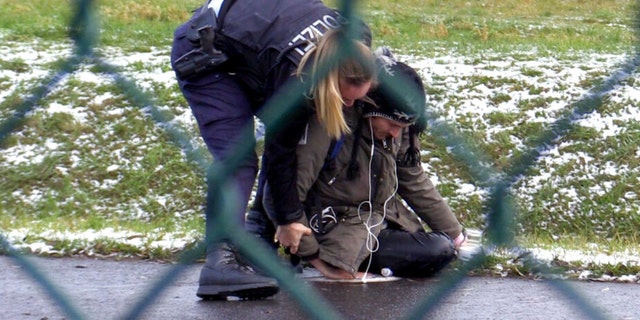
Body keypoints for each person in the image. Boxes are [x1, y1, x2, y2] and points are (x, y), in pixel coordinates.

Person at [170, 0, 377, 299]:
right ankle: (221, 261)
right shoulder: (296, 82)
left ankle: (257, 240)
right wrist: (289, 218)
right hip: (206, 53)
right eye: (345, 98)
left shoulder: (357, 38)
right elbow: (282, 151)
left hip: (254, 44)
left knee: (309, 122)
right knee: (239, 159)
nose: (350, 106)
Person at [263, 48, 466, 279]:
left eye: (403, 128)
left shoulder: (399, 125)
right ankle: (349, 260)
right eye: (392, 125)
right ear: (370, 107)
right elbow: (281, 194)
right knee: (437, 251)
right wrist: (316, 259)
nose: (395, 134)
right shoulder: (330, 123)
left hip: (379, 219)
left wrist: (456, 234)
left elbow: (413, 177)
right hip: (335, 228)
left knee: (444, 246)